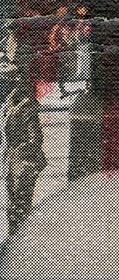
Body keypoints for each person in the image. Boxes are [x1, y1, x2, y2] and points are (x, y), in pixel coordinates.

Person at [5, 83, 46, 236]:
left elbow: (34, 139)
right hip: (19, 162)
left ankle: (16, 238)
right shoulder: (20, 108)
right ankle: (17, 239)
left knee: (17, 202)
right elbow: (35, 139)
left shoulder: (16, 109)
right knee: (19, 202)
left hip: (17, 163)